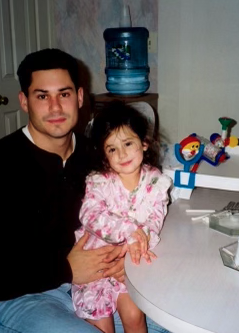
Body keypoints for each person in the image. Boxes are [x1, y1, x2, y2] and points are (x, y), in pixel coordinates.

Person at [0, 48, 170, 333]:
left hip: (95, 282)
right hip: (16, 298)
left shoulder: (99, 156)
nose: (55, 108)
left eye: (64, 94)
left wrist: (123, 257)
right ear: (24, 101)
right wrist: (65, 270)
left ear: (80, 97)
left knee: (176, 323)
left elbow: (128, 210)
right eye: (42, 96)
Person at [72, 103, 172, 333]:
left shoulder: (157, 182)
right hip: (96, 263)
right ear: (104, 155)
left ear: (144, 143)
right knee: (100, 324)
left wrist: (140, 238)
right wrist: (128, 230)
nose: (122, 154)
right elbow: (90, 215)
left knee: (135, 316)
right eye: (112, 149)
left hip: (130, 263)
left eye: (128, 144)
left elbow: (155, 220)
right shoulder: (99, 181)